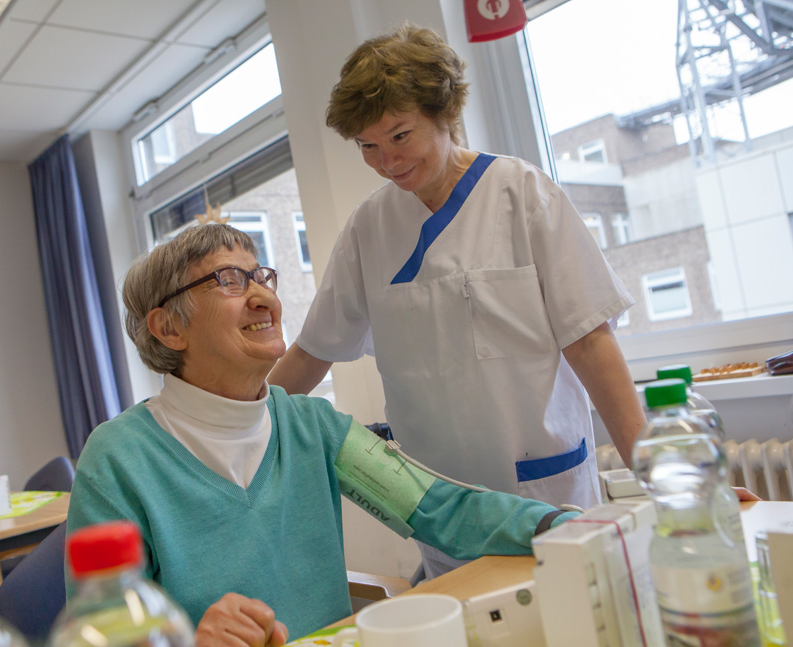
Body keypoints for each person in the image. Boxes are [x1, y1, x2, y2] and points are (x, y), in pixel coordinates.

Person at [67, 224, 580, 647]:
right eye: (229, 280)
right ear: (169, 329)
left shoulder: (312, 427)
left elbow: (440, 509)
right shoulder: (118, 459)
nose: (263, 296)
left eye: (260, 276)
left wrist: (565, 524)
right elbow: (103, 637)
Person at [266, 24, 645, 578]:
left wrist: (661, 475)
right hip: (439, 505)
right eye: (368, 146)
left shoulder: (522, 194)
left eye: (400, 135)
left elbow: (590, 340)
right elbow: (311, 351)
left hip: (543, 489)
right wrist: (233, 421)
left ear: (445, 113)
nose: (387, 160)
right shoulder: (369, 227)